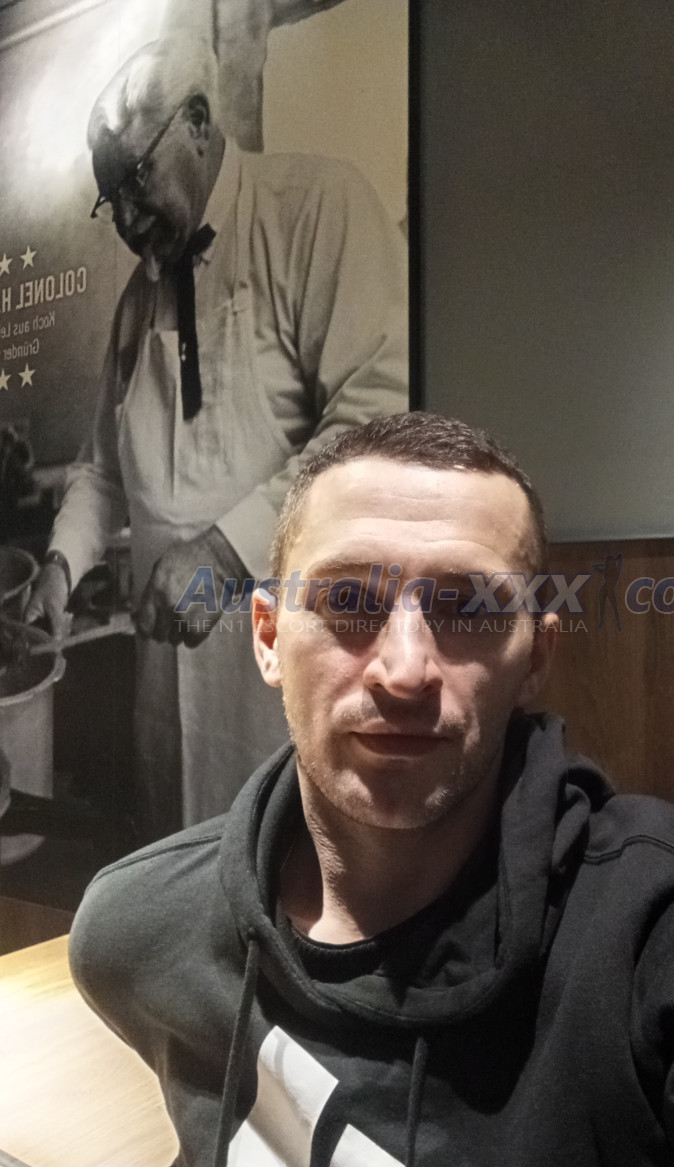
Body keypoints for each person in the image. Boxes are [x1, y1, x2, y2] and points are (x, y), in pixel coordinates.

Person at [69, 412, 674, 1167]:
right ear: (268, 638)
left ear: (535, 657)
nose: (404, 671)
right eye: (348, 602)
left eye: (467, 607)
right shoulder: (140, 930)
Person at [24, 38, 407, 838]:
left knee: (293, 857)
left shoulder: (317, 210)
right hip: (166, 687)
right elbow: (101, 471)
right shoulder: (137, 305)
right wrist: (60, 567)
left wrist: (226, 553)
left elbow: (378, 421)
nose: (126, 219)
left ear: (197, 122)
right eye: (110, 200)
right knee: (183, 865)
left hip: (292, 667)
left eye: (135, 180)